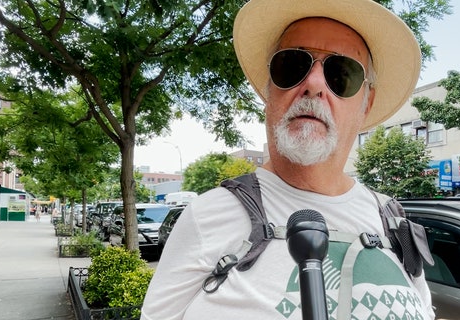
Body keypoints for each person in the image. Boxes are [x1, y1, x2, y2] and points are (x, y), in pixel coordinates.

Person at [141, 0, 432, 319]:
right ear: (269, 89)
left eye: (341, 74)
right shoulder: (207, 216)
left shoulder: (392, 220)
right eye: (293, 65)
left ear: (367, 102)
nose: (314, 84)